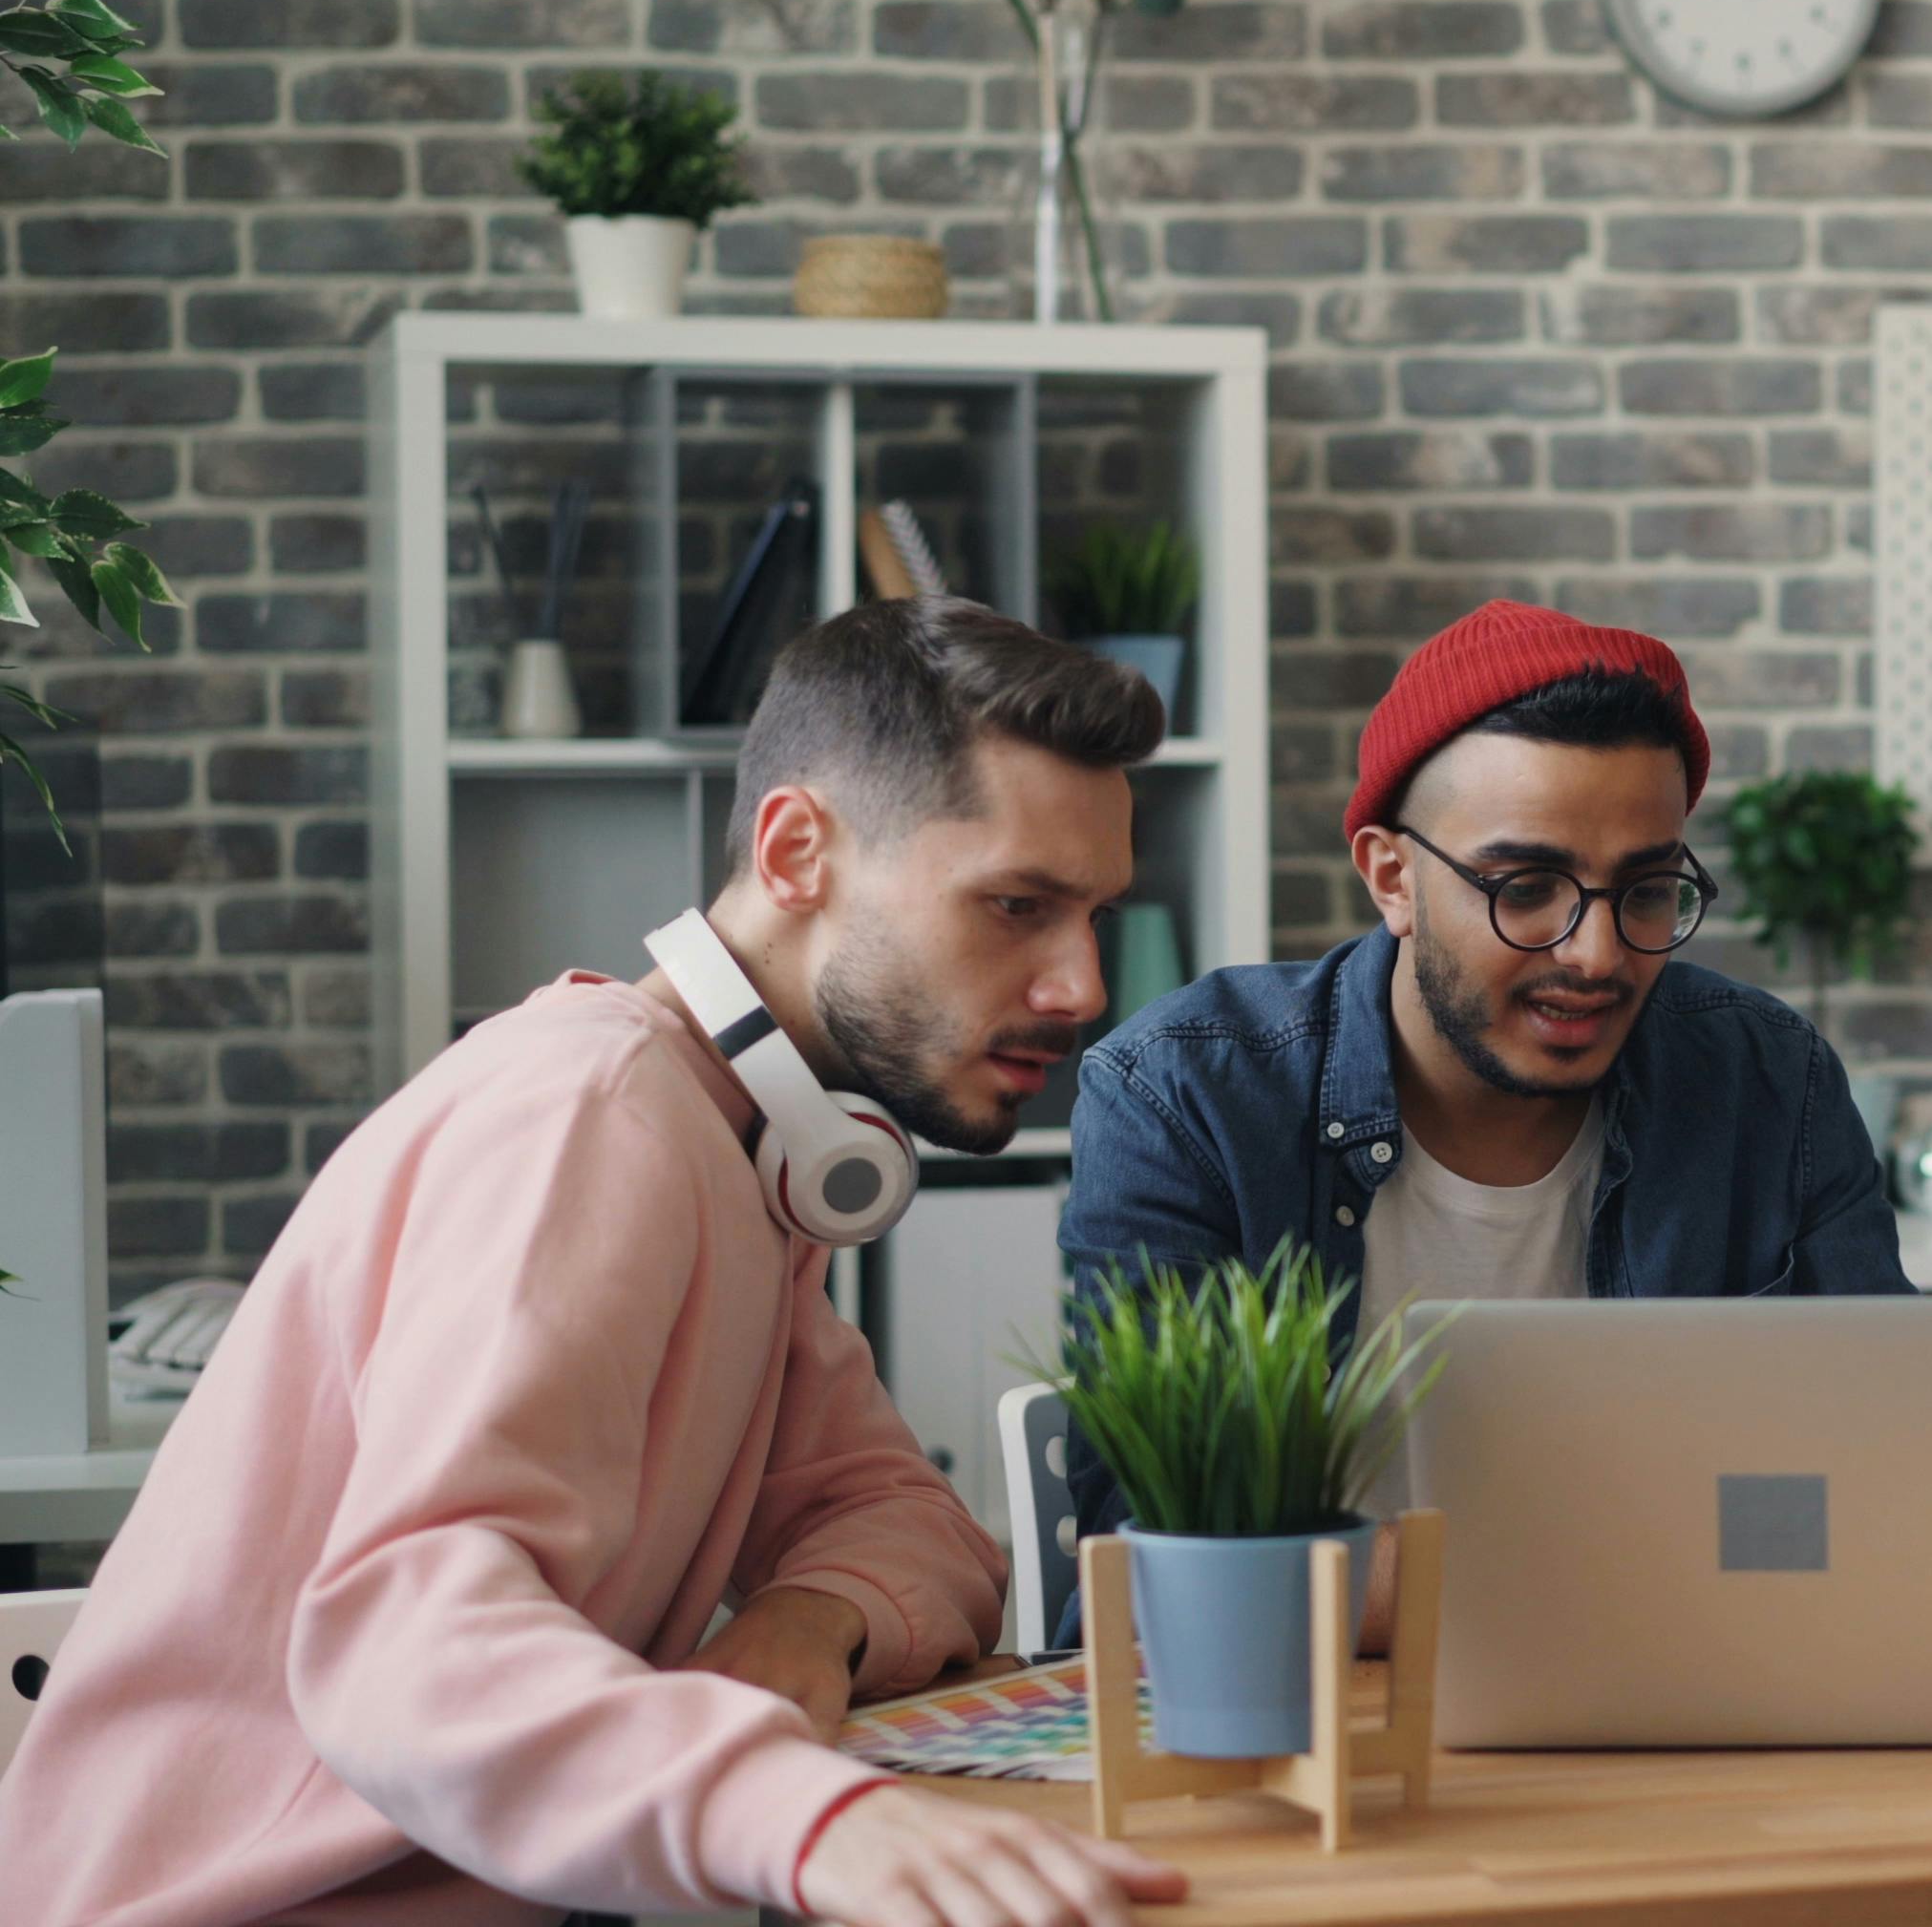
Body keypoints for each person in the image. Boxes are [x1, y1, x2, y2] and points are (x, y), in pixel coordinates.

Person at [0, 599, 1188, 1927]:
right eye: (1017, 905)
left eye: (1092, 915)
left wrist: (812, 1617)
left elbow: (908, 1522)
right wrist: (805, 1816)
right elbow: (407, 1643)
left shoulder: (752, 1142)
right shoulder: (597, 1115)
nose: (1082, 987)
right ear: (798, 852)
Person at [1056, 601, 1910, 1615]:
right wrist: (1604, 1580)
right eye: (1528, 887)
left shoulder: (1767, 1079)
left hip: (1694, 1694)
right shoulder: (1185, 1095)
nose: (1594, 955)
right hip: (1305, 1714)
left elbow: (1884, 1465)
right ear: (1392, 877)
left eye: (1643, 892)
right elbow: (1156, 1548)